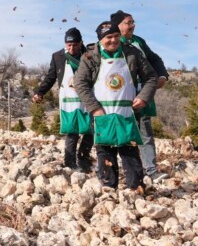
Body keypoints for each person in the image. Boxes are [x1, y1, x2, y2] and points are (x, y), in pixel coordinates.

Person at [73, 22, 157, 191]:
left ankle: (135, 188)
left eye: (116, 36)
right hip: (101, 113)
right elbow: (80, 83)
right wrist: (94, 108)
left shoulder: (132, 53)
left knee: (129, 148)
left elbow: (151, 77)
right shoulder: (90, 57)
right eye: (109, 37)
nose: (113, 40)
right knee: (105, 150)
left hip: (127, 112)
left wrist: (143, 97)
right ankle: (109, 188)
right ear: (100, 40)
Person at [111, 10, 170, 182]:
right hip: (120, 96)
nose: (132, 25)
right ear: (118, 26)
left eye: (133, 22)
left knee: (145, 130)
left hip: (142, 92)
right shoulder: (112, 43)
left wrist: (161, 75)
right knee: (122, 132)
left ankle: (150, 170)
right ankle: (120, 171)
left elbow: (154, 58)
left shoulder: (138, 42)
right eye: (128, 23)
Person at [33, 28, 93, 172]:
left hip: (88, 98)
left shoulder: (90, 55)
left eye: (75, 45)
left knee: (90, 130)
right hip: (69, 99)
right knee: (72, 131)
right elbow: (51, 77)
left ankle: (83, 159)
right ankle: (70, 163)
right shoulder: (58, 57)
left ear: (81, 43)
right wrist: (40, 92)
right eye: (69, 45)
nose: (72, 48)